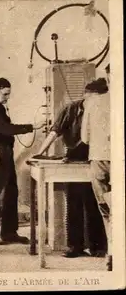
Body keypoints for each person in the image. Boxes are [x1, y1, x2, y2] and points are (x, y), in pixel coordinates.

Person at [35, 87, 107, 258]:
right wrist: (41, 152)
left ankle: (97, 247)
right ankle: (75, 246)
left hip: (95, 160)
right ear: (85, 96)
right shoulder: (70, 109)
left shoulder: (102, 109)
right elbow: (55, 131)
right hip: (74, 160)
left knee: (95, 204)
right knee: (73, 204)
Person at [0, 77, 45, 245]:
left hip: (5, 151)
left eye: (8, 94)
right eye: (5, 94)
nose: (7, 98)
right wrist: (32, 127)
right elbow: (5, 129)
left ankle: (9, 233)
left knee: (10, 192)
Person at [81, 76, 112, 271]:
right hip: (118, 158)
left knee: (106, 210)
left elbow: (85, 138)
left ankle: (112, 254)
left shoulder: (92, 104)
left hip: (99, 158)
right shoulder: (116, 98)